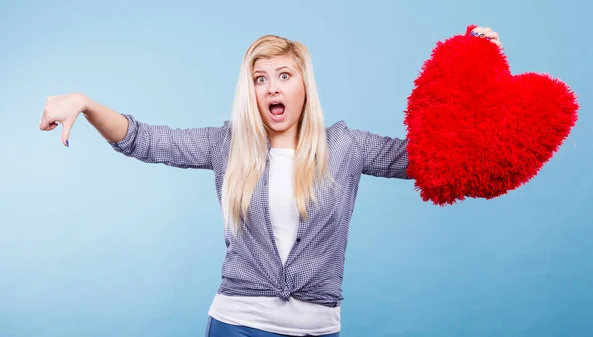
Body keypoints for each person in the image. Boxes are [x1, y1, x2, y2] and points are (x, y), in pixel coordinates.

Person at [39, 26, 502, 337]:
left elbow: (435, 158)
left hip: (317, 327)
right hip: (236, 323)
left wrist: (477, 63)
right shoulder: (228, 145)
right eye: (260, 79)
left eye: (284, 75)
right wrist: (85, 102)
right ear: (251, 91)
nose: (272, 88)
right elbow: (144, 139)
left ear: (305, 85)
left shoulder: (347, 147)